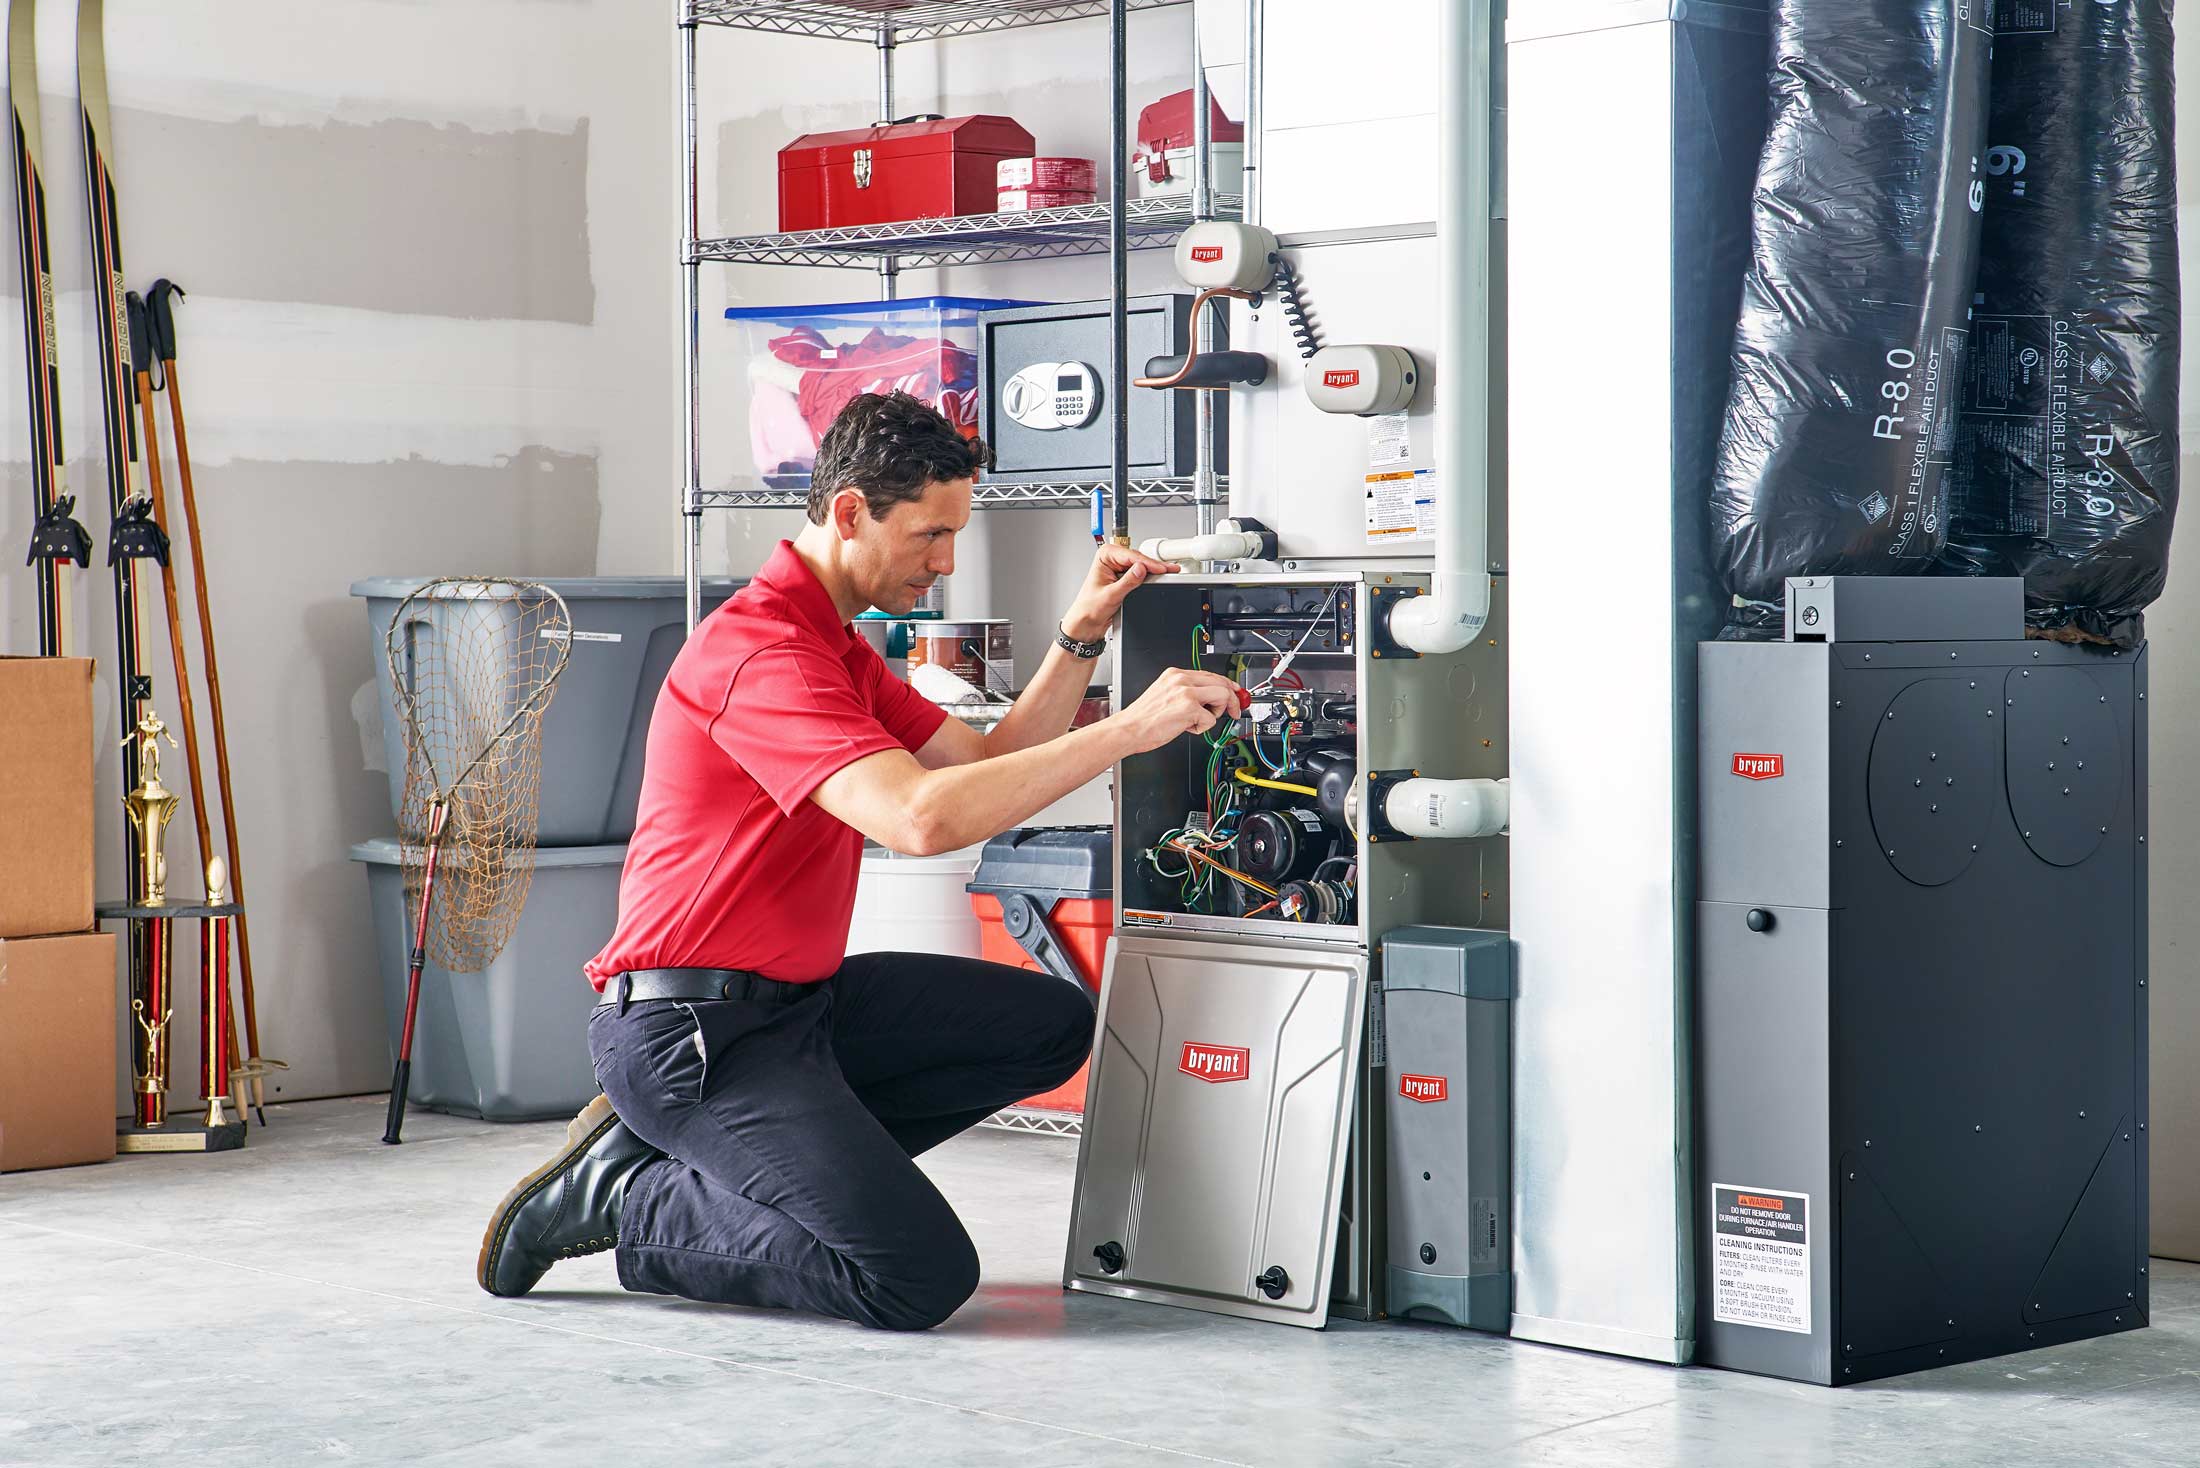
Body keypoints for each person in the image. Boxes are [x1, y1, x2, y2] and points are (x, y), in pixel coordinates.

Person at [476, 390, 1243, 1330]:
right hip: (692, 1037)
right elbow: (919, 822)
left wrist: (1083, 630)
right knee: (915, 1276)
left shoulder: (832, 645)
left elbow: (982, 763)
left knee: (1046, 1024)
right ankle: (625, 1203)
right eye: (929, 535)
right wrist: (1128, 731)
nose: (946, 561)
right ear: (849, 511)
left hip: (801, 1009)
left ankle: (736, 1173)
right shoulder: (763, 654)